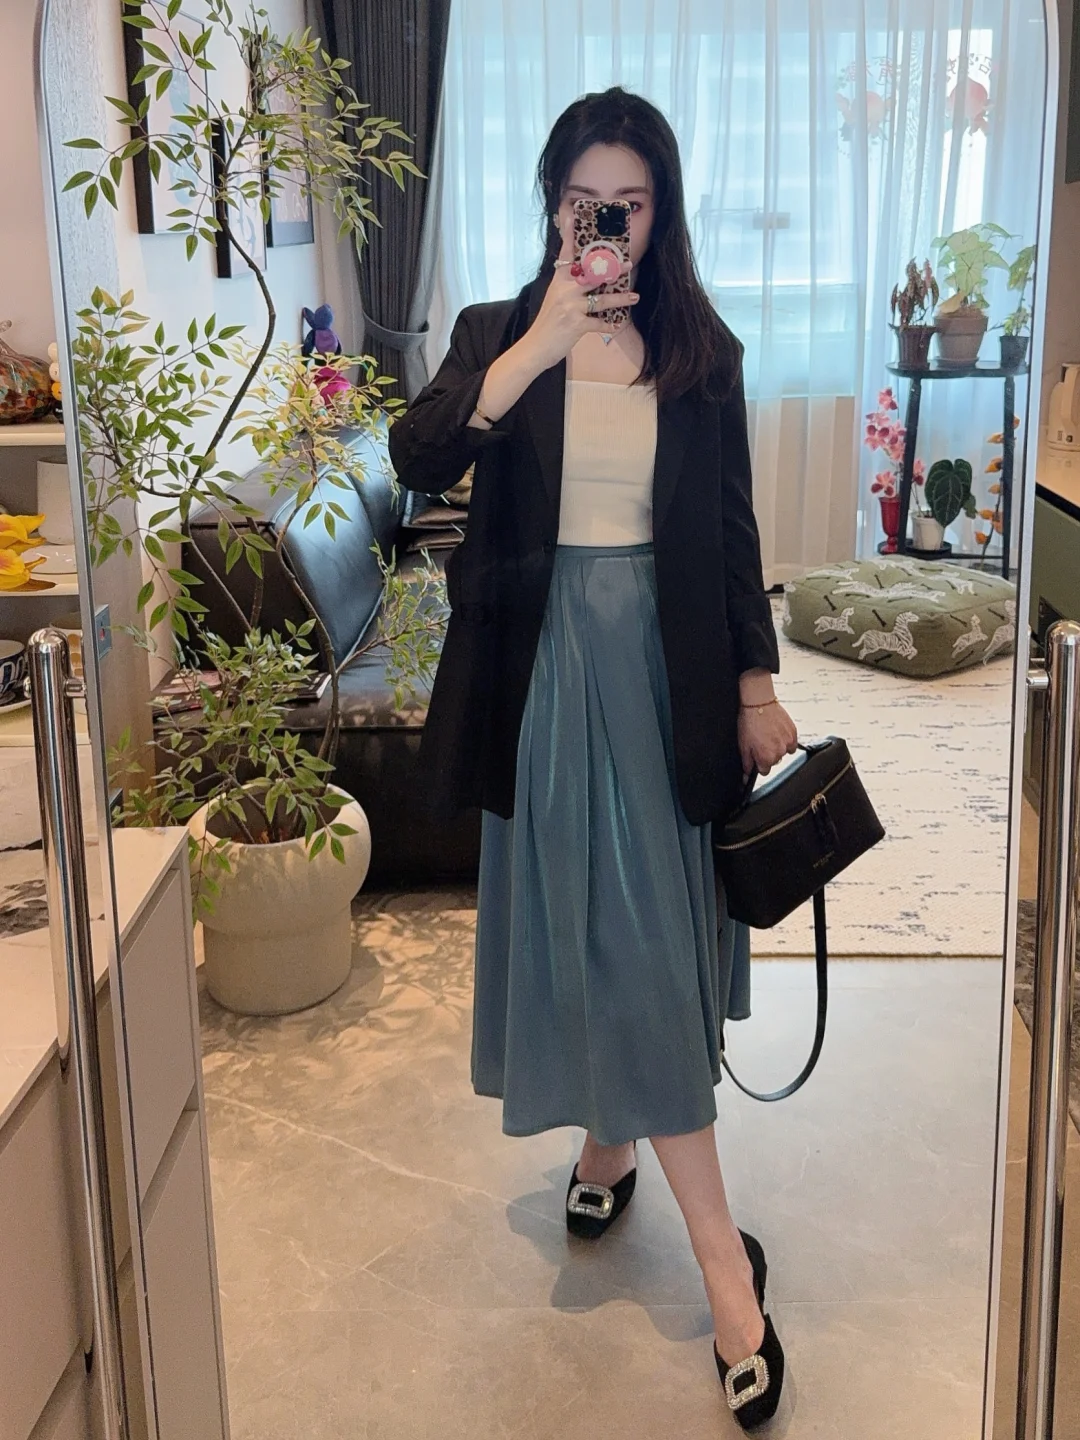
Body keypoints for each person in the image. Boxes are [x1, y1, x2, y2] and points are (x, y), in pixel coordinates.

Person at [389, 86, 798, 1431]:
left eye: (629, 204)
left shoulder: (702, 350)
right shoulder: (497, 333)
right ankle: (629, 1162)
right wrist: (545, 341)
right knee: (590, 927)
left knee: (651, 943)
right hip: (544, 676)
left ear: (660, 212)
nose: (607, 225)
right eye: (584, 203)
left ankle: (702, 1243)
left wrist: (755, 686)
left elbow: (730, 531)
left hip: (664, 672)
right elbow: (417, 455)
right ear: (554, 207)